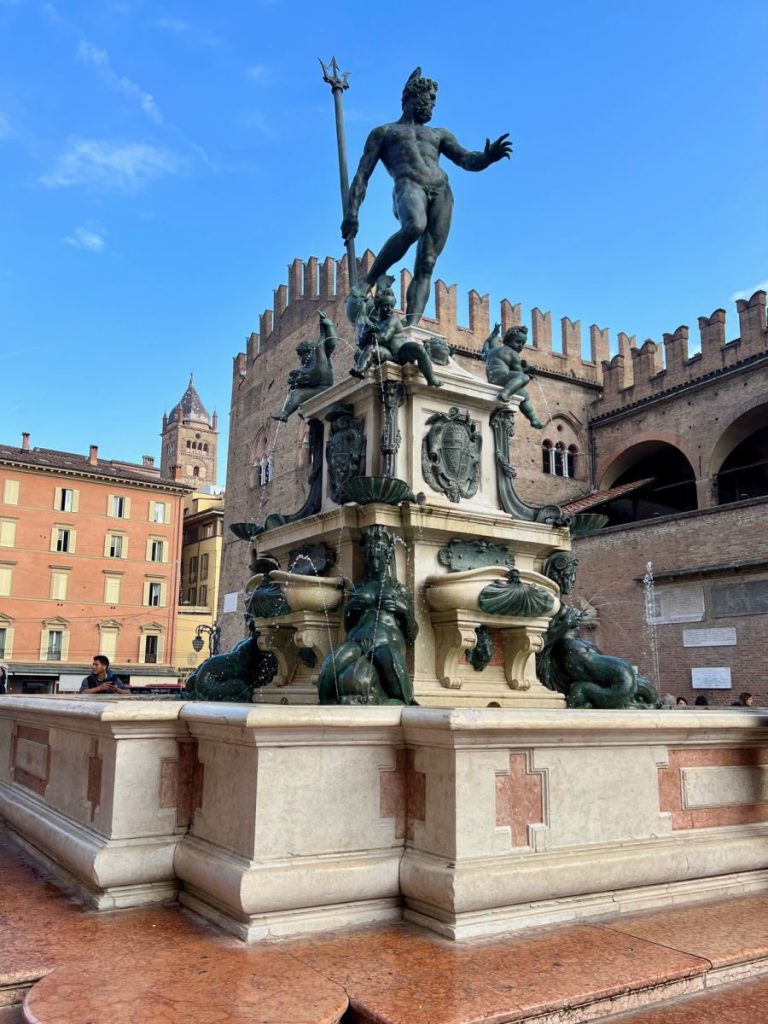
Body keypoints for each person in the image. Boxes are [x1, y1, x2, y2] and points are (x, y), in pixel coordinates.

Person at [342, 68, 511, 326]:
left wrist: (487, 157)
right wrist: (352, 213)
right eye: (430, 98)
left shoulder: (438, 134)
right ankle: (368, 281)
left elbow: (466, 159)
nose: (433, 104)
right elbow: (362, 175)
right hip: (408, 186)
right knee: (414, 226)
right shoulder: (384, 133)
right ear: (414, 96)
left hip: (442, 191)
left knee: (427, 262)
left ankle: (411, 328)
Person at [271, 311, 336, 422]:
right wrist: (296, 380)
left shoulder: (321, 354)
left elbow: (331, 342)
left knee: (298, 394)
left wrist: (329, 326)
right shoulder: (304, 368)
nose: (300, 359)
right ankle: (285, 413)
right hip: (316, 390)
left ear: (307, 352)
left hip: (325, 388)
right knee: (296, 393)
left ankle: (285, 413)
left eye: (301, 355)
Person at [483, 324, 544, 428]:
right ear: (508, 340)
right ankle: (505, 393)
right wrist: (528, 372)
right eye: (518, 342)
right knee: (524, 378)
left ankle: (534, 419)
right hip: (502, 377)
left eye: (523, 343)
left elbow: (487, 345)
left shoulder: (492, 351)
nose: (520, 346)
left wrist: (494, 334)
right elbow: (519, 373)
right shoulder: (513, 354)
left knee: (524, 394)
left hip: (492, 379)